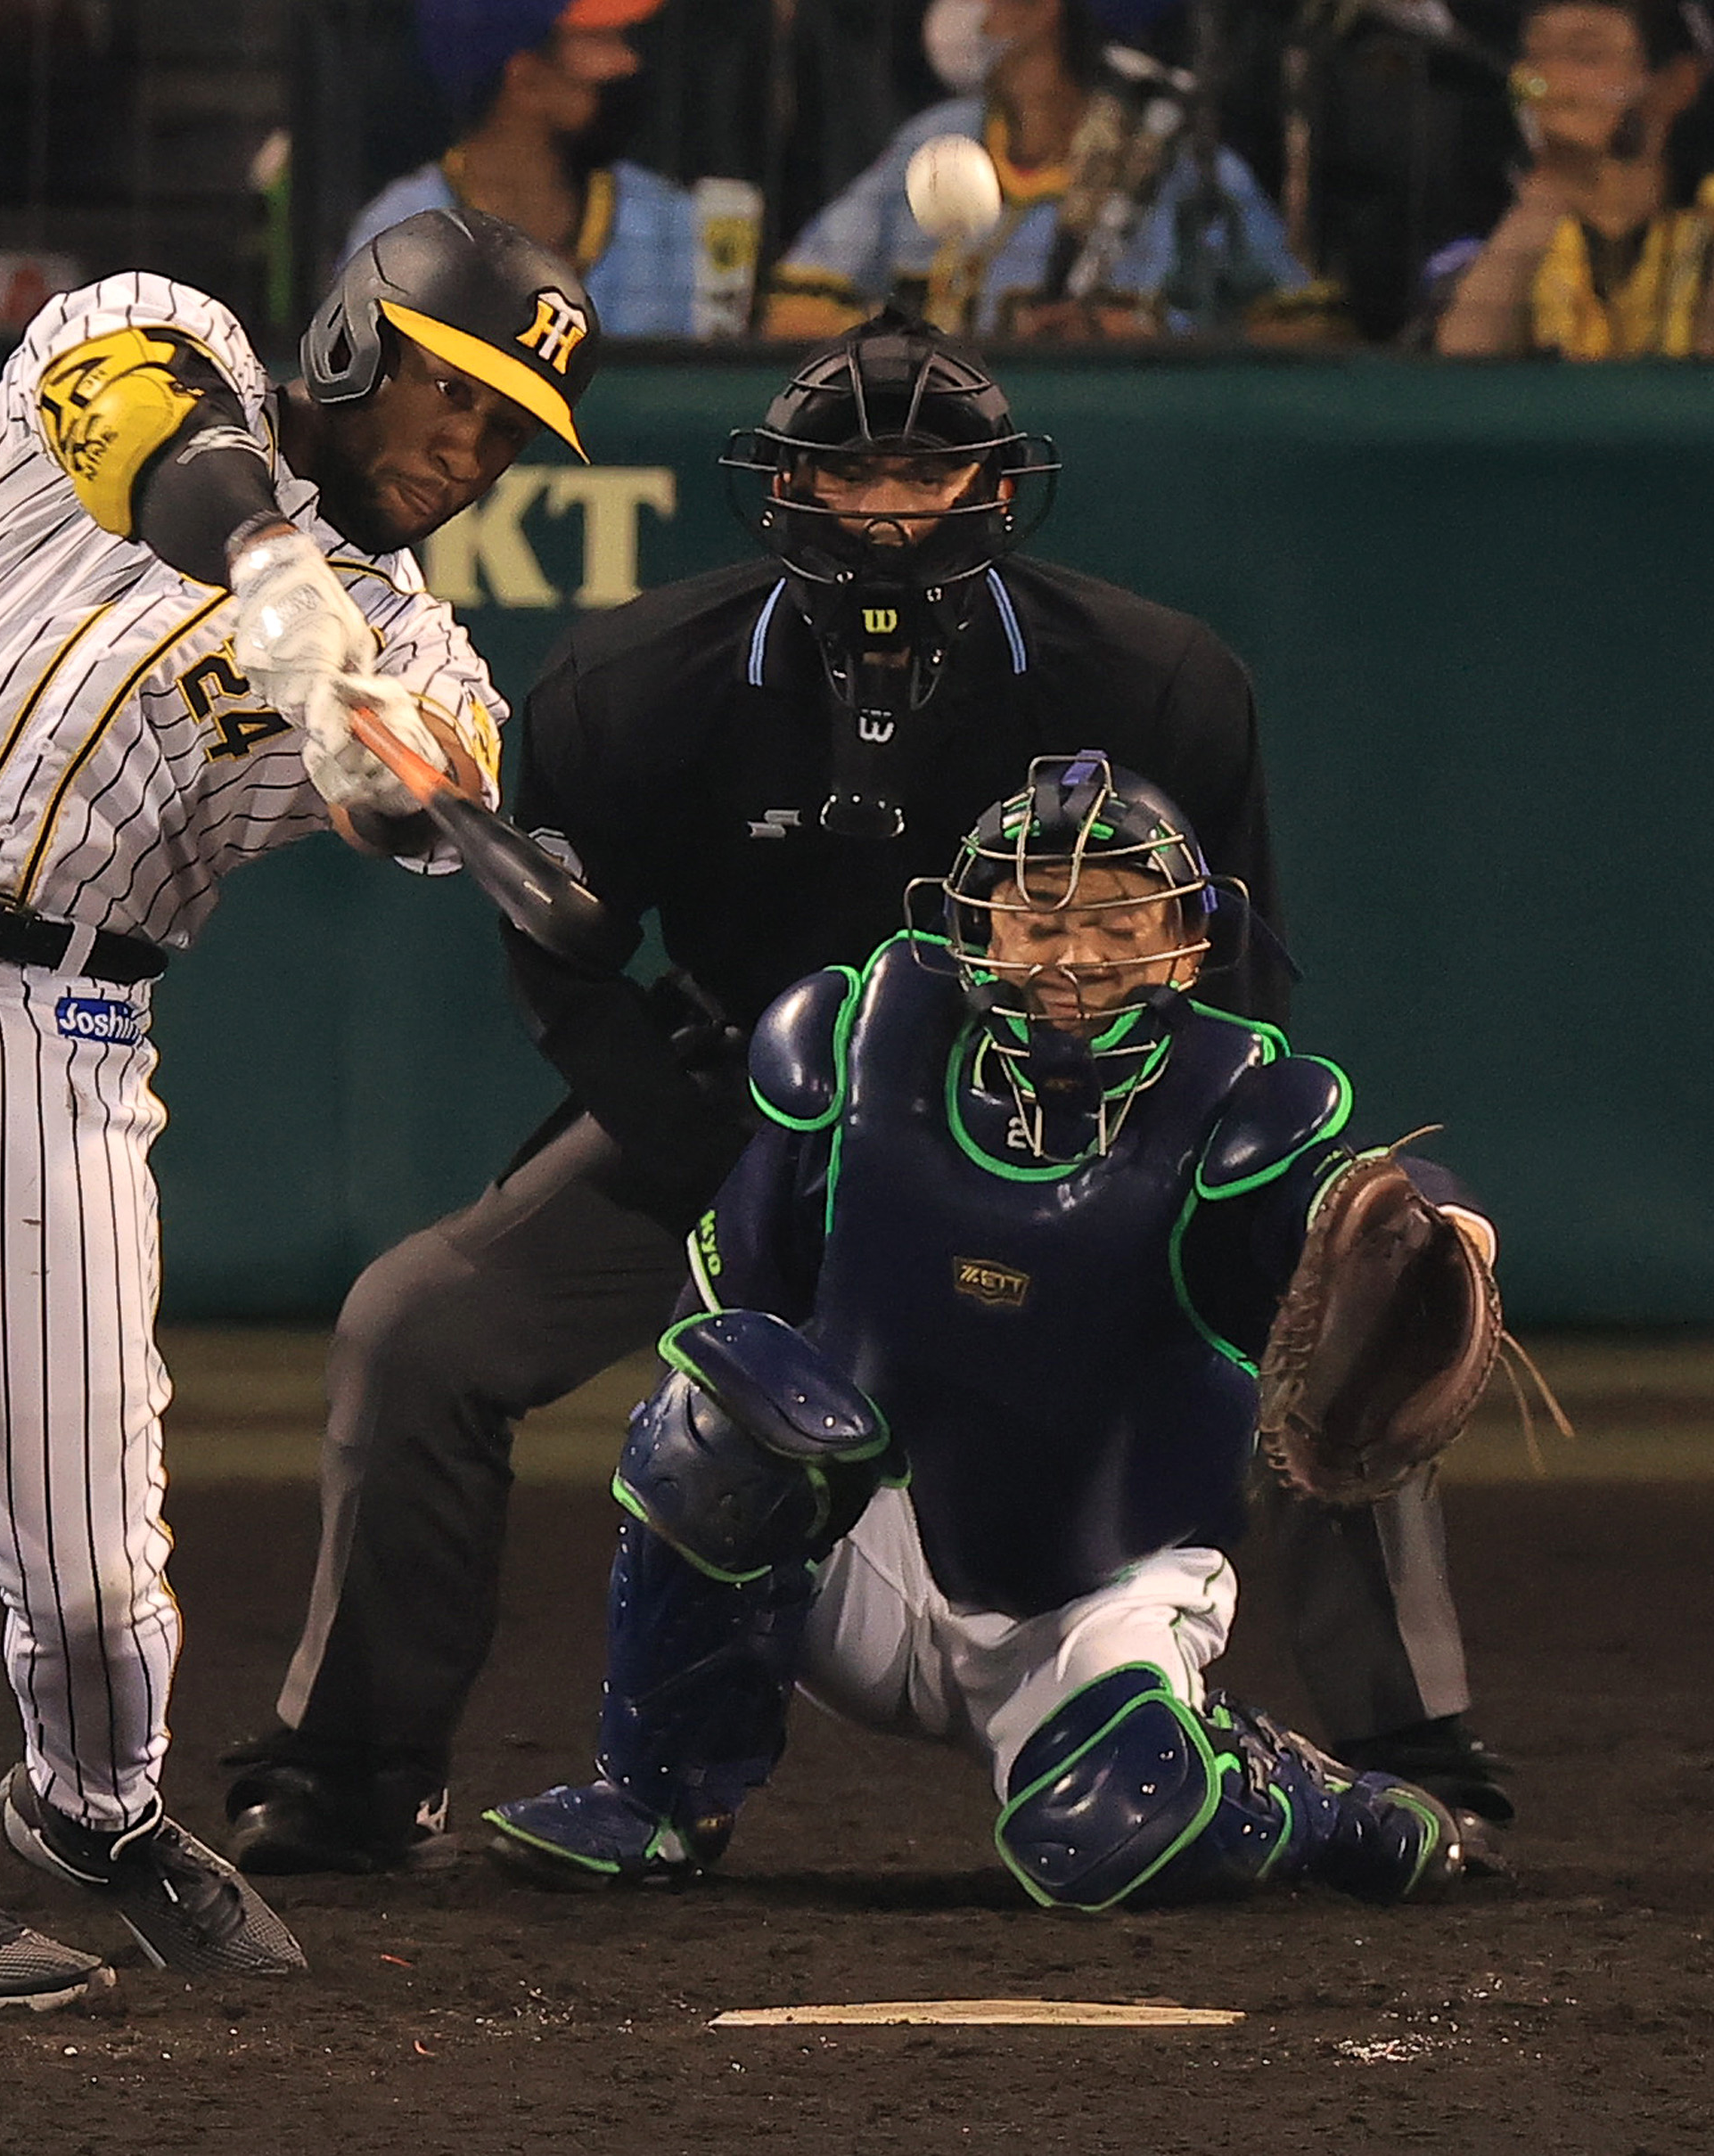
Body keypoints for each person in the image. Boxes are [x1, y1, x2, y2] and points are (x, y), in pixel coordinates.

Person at [223, 311, 1508, 1878]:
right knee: (414, 1326)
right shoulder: (637, 678)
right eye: (856, 472)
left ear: (994, 481)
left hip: (1090, 1122)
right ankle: (357, 1769)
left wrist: (1208, 1189)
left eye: (928, 467)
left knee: (1345, 1300)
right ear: (787, 487)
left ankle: (1418, 1759)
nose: (892, 506)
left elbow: (1238, 972)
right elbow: (560, 960)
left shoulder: (1156, 677)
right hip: (738, 1104)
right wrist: (713, 1152)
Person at [0, 208, 600, 2000]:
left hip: (69, 1026)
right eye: (451, 399)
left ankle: (92, 1807)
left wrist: (383, 749)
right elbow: (159, 443)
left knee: (91, 1569)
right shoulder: (154, 331)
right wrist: (274, 574)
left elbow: (434, 787)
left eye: (503, 437)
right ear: (351, 346)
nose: (466, 455)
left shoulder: (418, 642)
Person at [482, 757, 1498, 1907]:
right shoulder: (863, 1044)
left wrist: (1433, 1216)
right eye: (1040, 914)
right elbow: (720, 1317)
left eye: (1118, 917)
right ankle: (656, 1796)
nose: (1075, 952)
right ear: (979, 928)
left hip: (1096, 1594)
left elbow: (1366, 1215)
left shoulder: (1234, 1110)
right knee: (706, 1421)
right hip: (885, 1545)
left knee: (1128, 1822)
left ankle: (1302, 1798)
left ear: (1183, 934)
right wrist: (726, 1506)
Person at [764, 0, 1315, 342]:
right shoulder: (935, 143)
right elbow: (793, 312)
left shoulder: (1189, 175)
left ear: (1040, 4)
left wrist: (1158, 340)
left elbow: (1311, 335)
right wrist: (915, 357)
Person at [344, 0, 694, 337]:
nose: (629, 62)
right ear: (527, 81)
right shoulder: (396, 241)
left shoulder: (666, 220)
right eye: (602, 39)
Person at [1431, 0, 1714, 357]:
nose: (1545, 83)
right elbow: (1455, 379)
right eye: (1537, 56)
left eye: (1584, 56)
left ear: (1675, 84)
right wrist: (1549, 189)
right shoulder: (1519, 229)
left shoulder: (1704, 226)